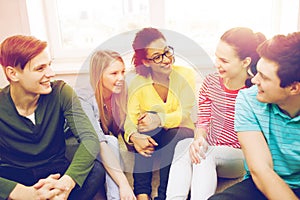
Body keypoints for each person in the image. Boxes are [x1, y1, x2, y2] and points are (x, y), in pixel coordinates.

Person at [0, 35, 105, 200]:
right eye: (40, 68)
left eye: (49, 65)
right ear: (13, 73)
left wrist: (67, 183)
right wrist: (24, 193)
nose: (51, 73)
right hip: (16, 175)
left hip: (55, 171)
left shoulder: (61, 92)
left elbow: (90, 139)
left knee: (96, 171)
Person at [166, 27, 266, 200]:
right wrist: (199, 139)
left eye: (224, 60)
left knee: (207, 154)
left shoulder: (255, 91)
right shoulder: (211, 82)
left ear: (245, 62)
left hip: (238, 155)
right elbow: (203, 119)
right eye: (216, 57)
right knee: (184, 145)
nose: (216, 63)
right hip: (210, 146)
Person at [208, 32, 300, 200]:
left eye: (264, 77)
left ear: (293, 88)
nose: (254, 80)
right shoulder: (248, 99)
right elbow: (261, 170)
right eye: (257, 72)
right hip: (263, 182)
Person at [124, 27, 196, 200]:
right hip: (154, 138)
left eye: (167, 52)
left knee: (173, 133)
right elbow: (130, 120)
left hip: (181, 134)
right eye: (157, 57)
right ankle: (142, 194)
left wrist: (160, 120)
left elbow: (185, 113)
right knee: (143, 125)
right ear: (146, 62)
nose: (166, 60)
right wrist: (134, 136)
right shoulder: (138, 83)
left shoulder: (186, 74)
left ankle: (164, 196)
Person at [76, 50, 136, 200]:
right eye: (114, 73)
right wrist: (124, 185)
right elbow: (98, 141)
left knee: (113, 141)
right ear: (98, 75)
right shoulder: (84, 98)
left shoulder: (120, 93)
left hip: (103, 142)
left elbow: (128, 123)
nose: (121, 78)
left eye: (122, 72)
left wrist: (135, 137)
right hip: (77, 145)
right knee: (111, 141)